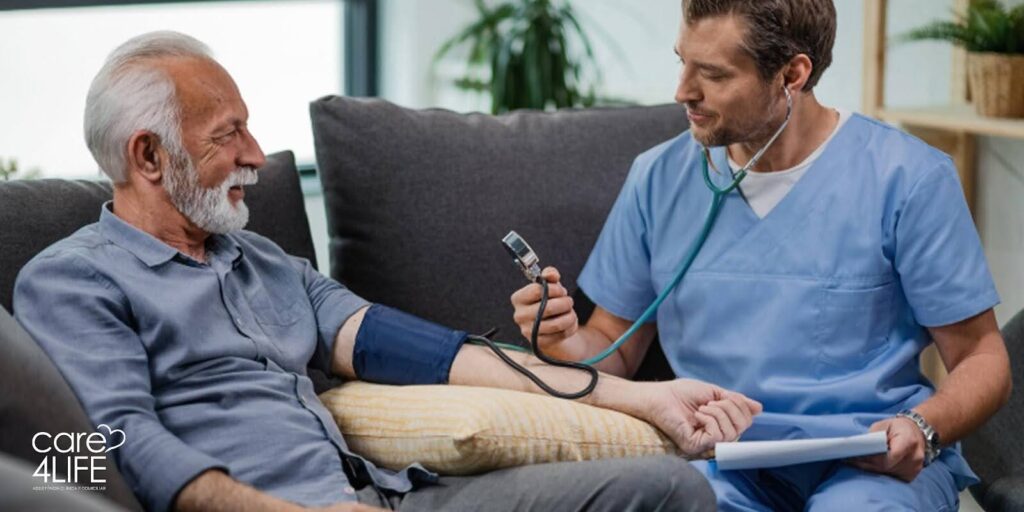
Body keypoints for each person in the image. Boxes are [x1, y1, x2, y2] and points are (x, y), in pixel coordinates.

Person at [12, 31, 763, 512]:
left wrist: (645, 397)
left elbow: (432, 354)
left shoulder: (267, 262)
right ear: (148, 156)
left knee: (666, 489)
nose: (254, 156)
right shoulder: (74, 281)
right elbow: (112, 440)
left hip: (389, 494)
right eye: (228, 134)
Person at [510, 1, 1012, 510]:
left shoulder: (908, 179)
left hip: (872, 465)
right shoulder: (657, 178)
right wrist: (562, 339)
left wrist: (922, 427)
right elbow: (612, 351)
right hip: (716, 462)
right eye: (682, 61)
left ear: (792, 74)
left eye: (712, 73)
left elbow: (982, 358)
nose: (682, 90)